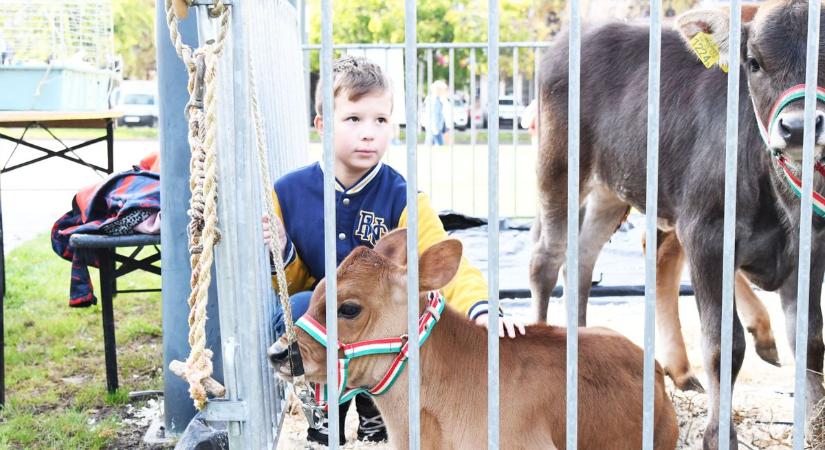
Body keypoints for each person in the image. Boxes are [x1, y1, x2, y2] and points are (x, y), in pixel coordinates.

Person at [267, 56, 525, 446]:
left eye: (381, 120)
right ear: (322, 127)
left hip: (378, 338)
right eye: (353, 119)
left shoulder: (404, 196)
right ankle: (325, 412)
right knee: (303, 307)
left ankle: (375, 414)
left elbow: (440, 260)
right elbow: (292, 286)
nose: (369, 133)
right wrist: (284, 251)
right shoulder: (287, 193)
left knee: (399, 317)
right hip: (326, 320)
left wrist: (481, 307)